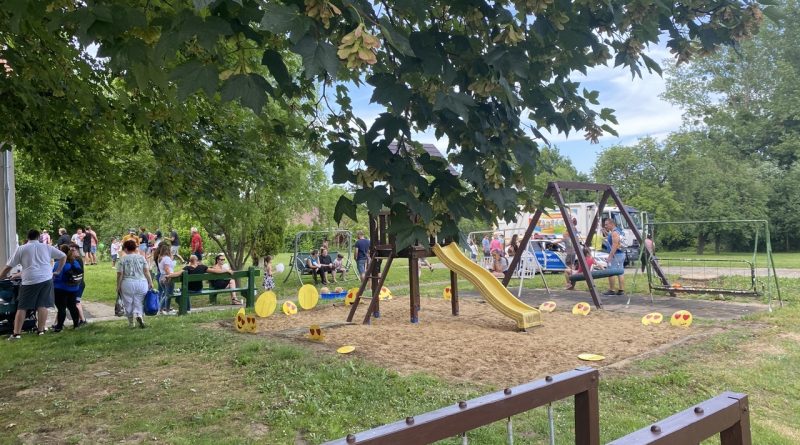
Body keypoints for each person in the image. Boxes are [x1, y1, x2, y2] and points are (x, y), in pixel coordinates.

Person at [0, 229, 67, 340]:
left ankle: (16, 334)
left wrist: (1, 276)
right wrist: (58, 270)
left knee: (22, 306)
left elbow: (9, 266)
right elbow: (63, 256)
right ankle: (41, 331)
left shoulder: (21, 249)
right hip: (46, 278)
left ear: (28, 237)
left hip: (30, 280)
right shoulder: (46, 247)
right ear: (38, 237)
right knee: (42, 305)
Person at [116, 239, 154, 328]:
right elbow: (146, 271)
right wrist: (150, 282)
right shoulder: (141, 258)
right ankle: (139, 315)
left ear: (126, 249)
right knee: (139, 301)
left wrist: (118, 286)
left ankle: (131, 322)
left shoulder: (122, 259)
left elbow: (120, 274)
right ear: (135, 248)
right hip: (142, 282)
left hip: (127, 283)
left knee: (128, 302)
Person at [51, 244, 84, 331]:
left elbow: (55, 276)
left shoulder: (58, 264)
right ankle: (76, 325)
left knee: (61, 308)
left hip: (60, 288)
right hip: (74, 288)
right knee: (73, 307)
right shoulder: (75, 262)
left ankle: (59, 327)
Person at [155, 244, 182, 313]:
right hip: (167, 277)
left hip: (161, 276)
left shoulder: (160, 258)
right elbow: (167, 269)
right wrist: (170, 276)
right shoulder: (166, 258)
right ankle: (165, 309)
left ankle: (162, 309)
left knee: (166, 294)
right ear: (167, 250)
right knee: (168, 295)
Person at [602, 217, 625, 296]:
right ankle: (621, 289)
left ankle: (612, 290)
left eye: (606, 224)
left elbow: (615, 245)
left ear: (611, 224)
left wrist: (610, 257)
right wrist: (605, 233)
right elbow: (611, 239)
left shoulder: (614, 233)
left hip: (616, 255)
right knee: (620, 272)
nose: (605, 226)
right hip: (621, 254)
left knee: (610, 271)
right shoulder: (618, 231)